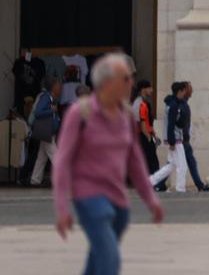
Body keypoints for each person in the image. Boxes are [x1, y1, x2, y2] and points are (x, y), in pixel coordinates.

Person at [53, 53, 164, 272]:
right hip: (89, 197)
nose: (131, 83)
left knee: (98, 256)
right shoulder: (80, 113)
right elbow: (62, 161)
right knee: (109, 257)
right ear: (106, 83)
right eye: (125, 78)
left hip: (118, 201)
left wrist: (151, 200)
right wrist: (62, 207)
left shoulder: (126, 116)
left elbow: (135, 163)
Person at [25, 75, 60, 186]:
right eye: (57, 85)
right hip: (47, 132)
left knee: (41, 157)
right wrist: (51, 110)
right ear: (53, 86)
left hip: (47, 131)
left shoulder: (49, 96)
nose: (59, 87)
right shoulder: (46, 97)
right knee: (56, 156)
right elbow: (38, 112)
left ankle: (35, 180)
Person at [133, 79, 160, 181]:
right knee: (151, 161)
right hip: (143, 136)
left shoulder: (141, 102)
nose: (152, 90)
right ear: (143, 89)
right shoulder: (140, 104)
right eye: (150, 88)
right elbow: (141, 123)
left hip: (143, 135)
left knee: (149, 160)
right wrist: (149, 138)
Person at [11, 47, 44, 116]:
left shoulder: (39, 63)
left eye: (25, 51)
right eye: (22, 51)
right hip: (21, 97)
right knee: (21, 118)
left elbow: (41, 75)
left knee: (34, 116)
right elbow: (15, 71)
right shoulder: (18, 62)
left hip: (34, 96)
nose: (23, 53)